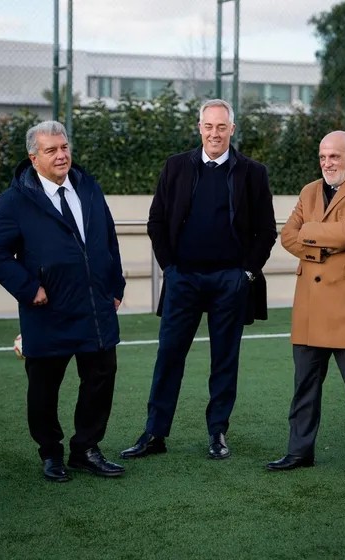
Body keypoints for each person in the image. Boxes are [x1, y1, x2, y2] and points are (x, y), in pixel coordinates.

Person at [120, 99, 277, 461]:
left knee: (224, 360)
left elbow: (266, 231)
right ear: (199, 128)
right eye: (208, 126)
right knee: (168, 356)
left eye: (221, 127)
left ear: (232, 129)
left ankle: (217, 432)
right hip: (183, 279)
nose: (214, 133)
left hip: (230, 282)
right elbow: (156, 221)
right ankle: (155, 433)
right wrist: (170, 269)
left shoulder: (253, 173)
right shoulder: (176, 166)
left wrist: (246, 274)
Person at [0, 121, 126, 483]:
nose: (61, 155)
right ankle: (50, 453)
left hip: (95, 306)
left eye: (64, 147)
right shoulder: (14, 200)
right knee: (44, 388)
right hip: (47, 310)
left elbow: (108, 237)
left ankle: (86, 449)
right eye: (51, 150)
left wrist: (116, 284)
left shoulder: (88, 186)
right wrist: (29, 288)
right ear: (34, 158)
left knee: (101, 378)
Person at [266, 130, 345, 475]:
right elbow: (287, 236)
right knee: (304, 384)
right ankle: (299, 452)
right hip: (310, 303)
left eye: (334, 156)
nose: (327, 163)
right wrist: (320, 246)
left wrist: (310, 231)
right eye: (322, 157)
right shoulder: (309, 190)